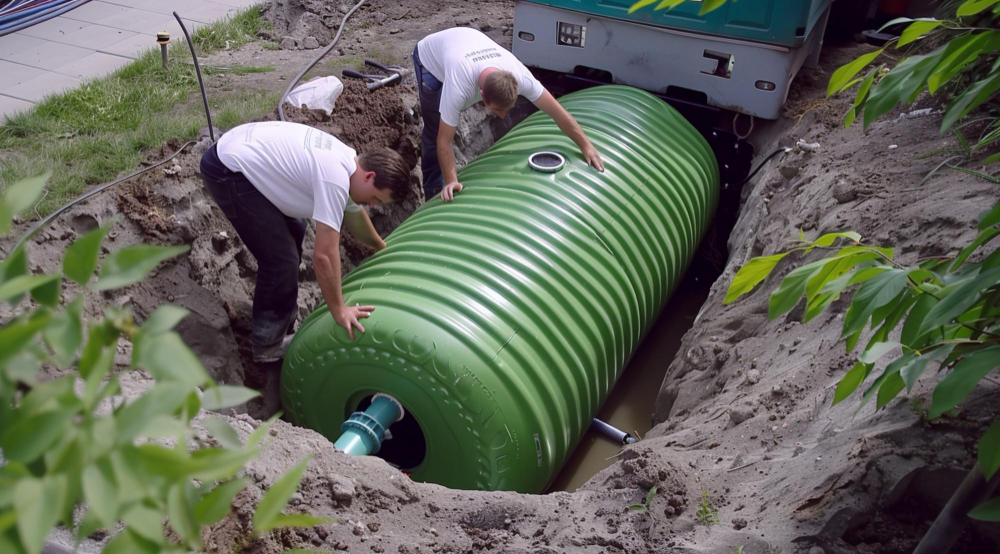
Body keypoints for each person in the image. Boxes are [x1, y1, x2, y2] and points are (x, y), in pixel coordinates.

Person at [199, 121, 411, 362]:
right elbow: (323, 256)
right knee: (281, 260)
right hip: (228, 170)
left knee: (295, 228)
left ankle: (282, 323)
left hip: (242, 152)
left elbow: (356, 219)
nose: (373, 205)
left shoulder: (349, 164)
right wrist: (339, 310)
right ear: (370, 176)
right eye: (376, 198)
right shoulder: (335, 179)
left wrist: (382, 248)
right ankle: (267, 345)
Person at [412, 27, 605, 202]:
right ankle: (432, 193)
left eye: (506, 109)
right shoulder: (459, 86)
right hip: (430, 59)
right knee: (434, 128)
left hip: (467, 42)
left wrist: (585, 145)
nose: (503, 117)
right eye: (497, 110)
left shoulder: (520, 75)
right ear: (481, 96)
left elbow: (557, 112)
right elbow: (444, 142)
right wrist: (452, 181)